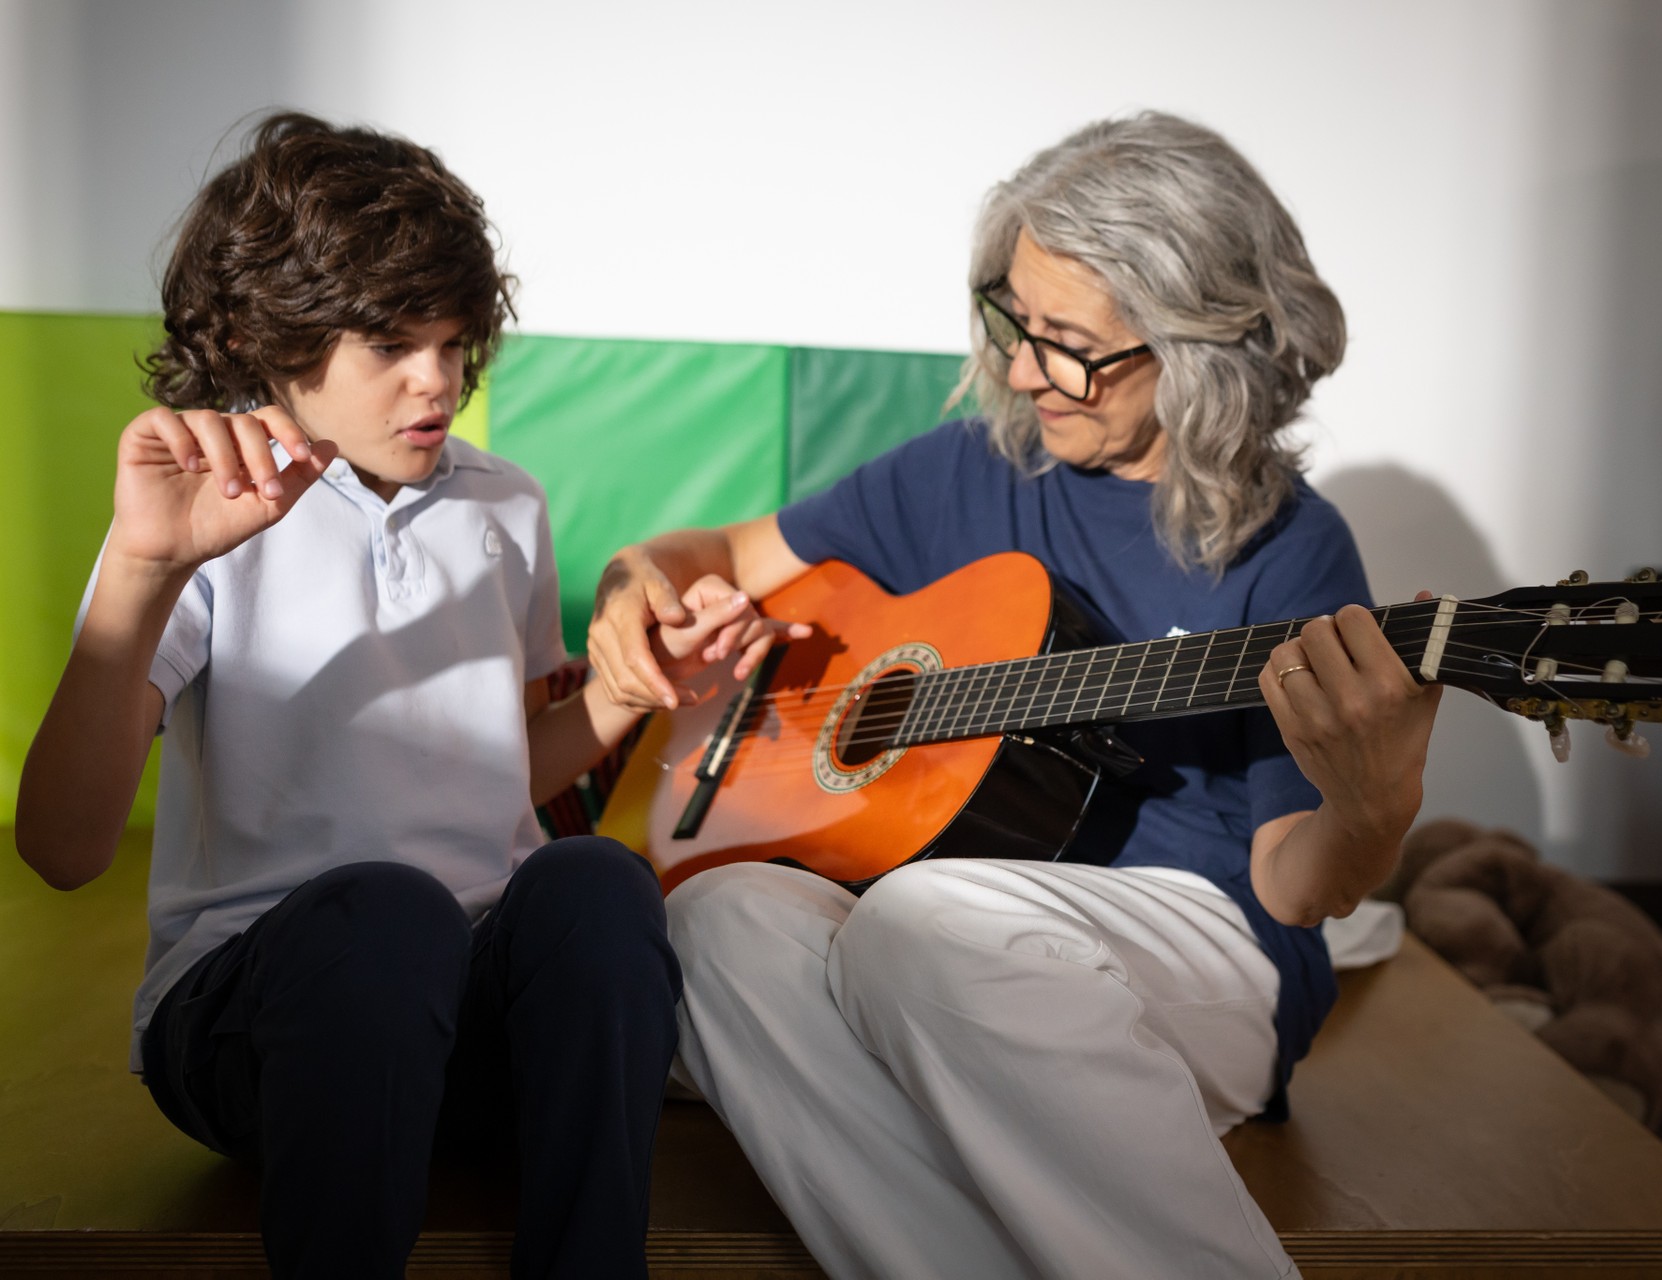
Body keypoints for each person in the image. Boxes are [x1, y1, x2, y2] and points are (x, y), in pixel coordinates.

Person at [587, 112, 1442, 1280]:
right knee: (716, 914)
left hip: (1198, 940)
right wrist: (635, 584)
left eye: (1072, 344)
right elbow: (718, 555)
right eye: (1015, 323)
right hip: (943, 951)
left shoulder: (1288, 549)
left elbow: (1295, 888)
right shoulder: (967, 469)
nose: (1025, 370)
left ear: (1197, 349)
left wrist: (1373, 805)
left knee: (920, 917)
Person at [11, 112, 735, 1279]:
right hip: (258, 1022)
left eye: (455, 343)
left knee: (596, 878)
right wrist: (148, 570)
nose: (437, 380)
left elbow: (493, 767)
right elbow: (58, 845)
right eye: (392, 344)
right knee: (385, 916)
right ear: (264, 335)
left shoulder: (504, 504)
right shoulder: (193, 520)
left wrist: (626, 694)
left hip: (468, 1023)